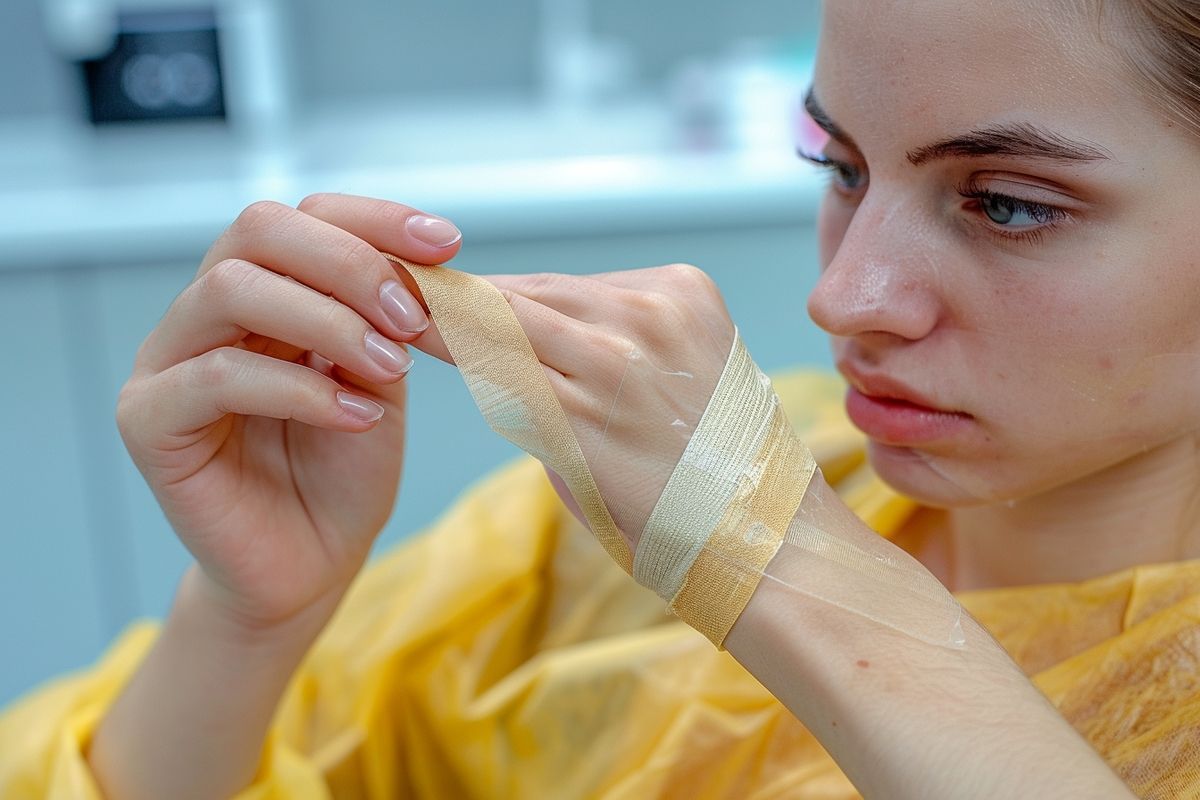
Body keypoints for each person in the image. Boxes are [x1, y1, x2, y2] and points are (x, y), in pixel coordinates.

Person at [3, 0, 1199, 796]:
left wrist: (775, 558)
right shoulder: (622, 516)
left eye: (1009, 203)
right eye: (838, 168)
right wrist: (251, 618)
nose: (843, 295)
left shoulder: (719, 503)